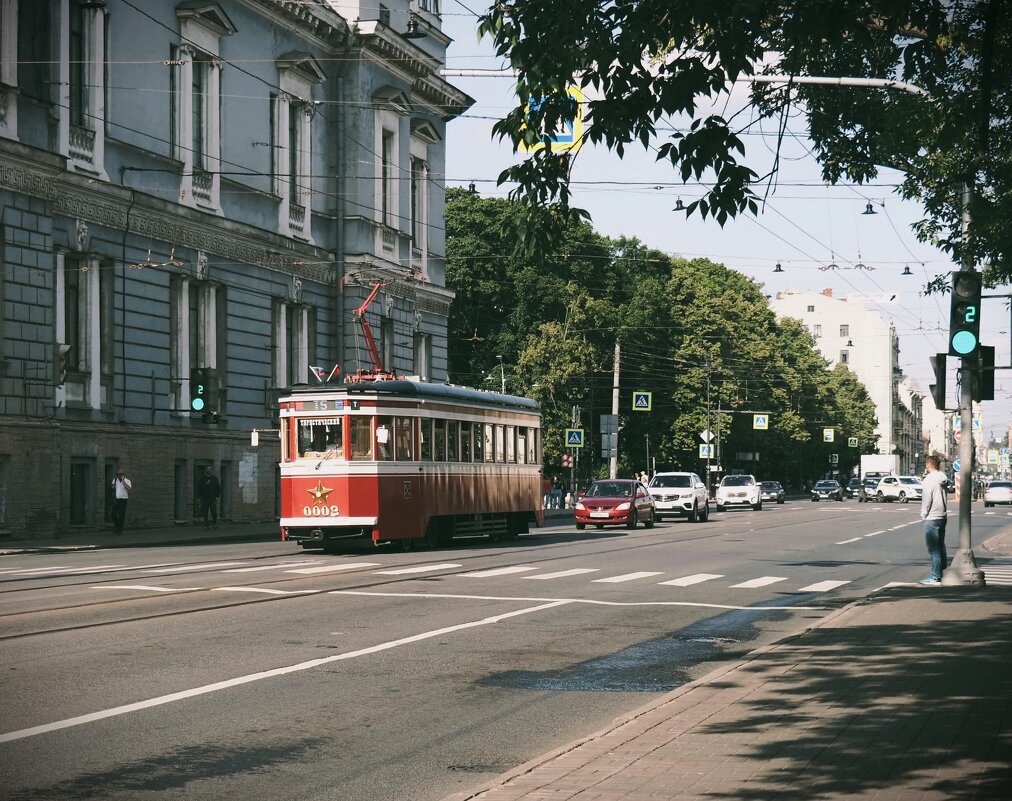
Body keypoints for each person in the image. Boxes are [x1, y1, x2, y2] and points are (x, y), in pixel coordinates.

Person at [919, 455, 948, 585]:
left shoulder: (929, 480)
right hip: (942, 516)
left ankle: (936, 576)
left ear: (928, 465)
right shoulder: (942, 478)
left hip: (931, 516)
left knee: (933, 548)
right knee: (940, 546)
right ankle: (942, 571)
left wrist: (923, 514)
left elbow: (927, 498)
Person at [111, 470, 132, 535]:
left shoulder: (127, 481)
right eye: (117, 474)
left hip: (123, 500)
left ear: (123, 475)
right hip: (116, 500)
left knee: (121, 515)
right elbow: (112, 488)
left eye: (120, 474)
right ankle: (117, 526)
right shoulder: (114, 480)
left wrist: (123, 482)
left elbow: (129, 489)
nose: (118, 476)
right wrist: (113, 487)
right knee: (112, 514)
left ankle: (119, 530)